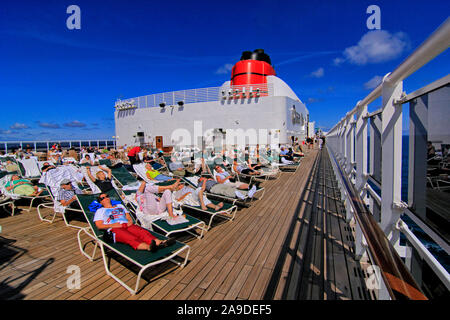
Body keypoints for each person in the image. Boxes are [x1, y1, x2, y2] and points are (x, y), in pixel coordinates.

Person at [94, 193, 175, 251]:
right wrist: (115, 225)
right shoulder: (100, 211)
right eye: (103, 198)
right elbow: (99, 226)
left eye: (107, 196)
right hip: (114, 228)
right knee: (129, 237)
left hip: (127, 224)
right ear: (100, 202)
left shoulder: (120, 206)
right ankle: (149, 247)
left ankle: (160, 242)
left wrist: (129, 222)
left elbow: (128, 218)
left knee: (142, 232)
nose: (106, 198)